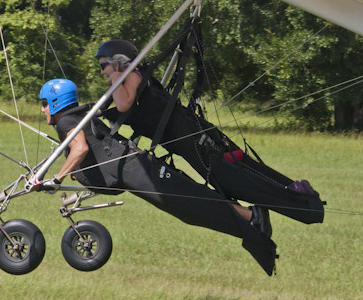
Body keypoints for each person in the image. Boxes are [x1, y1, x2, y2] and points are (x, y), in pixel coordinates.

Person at [31, 78, 278, 276]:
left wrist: (57, 178)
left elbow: (81, 148)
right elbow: (91, 150)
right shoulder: (76, 117)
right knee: (189, 206)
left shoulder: (66, 121)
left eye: (44, 103)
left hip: (135, 169)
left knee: (190, 203)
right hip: (134, 168)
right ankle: (250, 218)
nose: (42, 109)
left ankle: (252, 217)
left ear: (56, 102)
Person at [95, 39, 324, 225]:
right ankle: (293, 194)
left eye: (104, 65)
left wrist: (116, 77)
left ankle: (298, 200)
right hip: (186, 135)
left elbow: (123, 106)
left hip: (187, 135)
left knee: (227, 177)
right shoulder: (132, 80)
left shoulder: (132, 75)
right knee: (228, 172)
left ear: (118, 61)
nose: (102, 71)